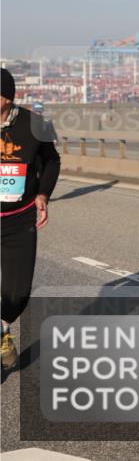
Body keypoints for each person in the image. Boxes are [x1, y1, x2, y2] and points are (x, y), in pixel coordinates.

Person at [1, 68, 61, 371]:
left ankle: (2, 329)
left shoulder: (36, 125)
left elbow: (52, 160)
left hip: (18, 219)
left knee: (19, 293)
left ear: (8, 97)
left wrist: (43, 193)